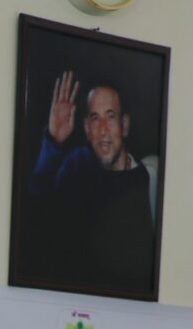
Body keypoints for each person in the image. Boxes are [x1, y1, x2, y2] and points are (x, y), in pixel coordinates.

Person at [23, 71, 159, 295]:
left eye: (110, 116)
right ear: (87, 129)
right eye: (95, 118)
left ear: (124, 125)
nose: (103, 129)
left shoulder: (150, 179)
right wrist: (53, 142)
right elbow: (35, 213)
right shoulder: (77, 166)